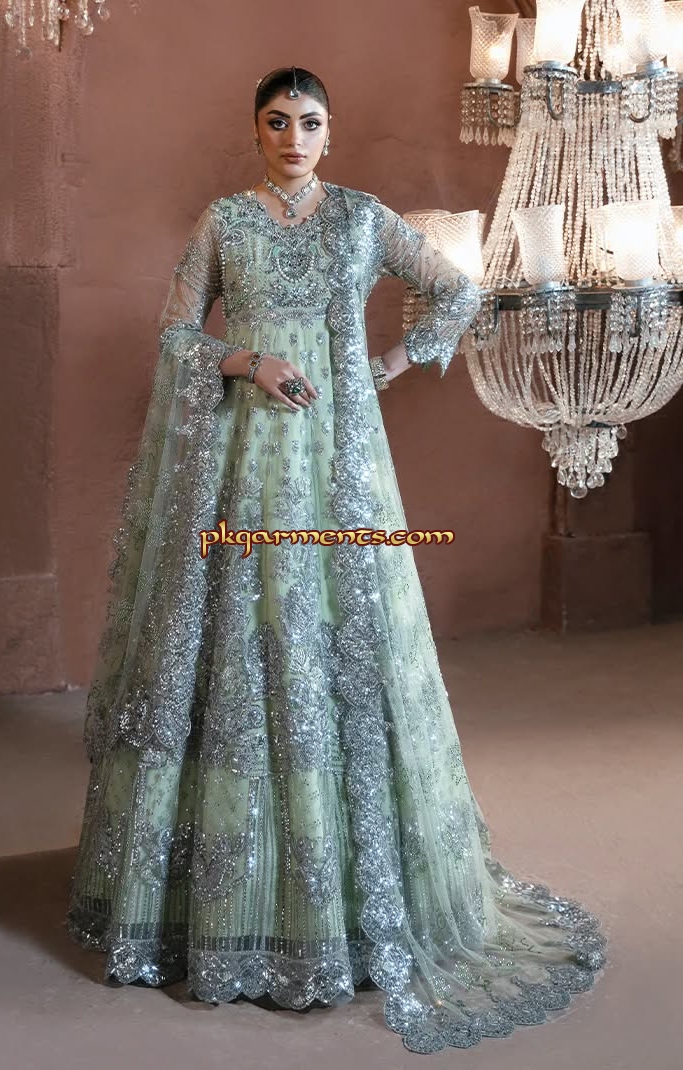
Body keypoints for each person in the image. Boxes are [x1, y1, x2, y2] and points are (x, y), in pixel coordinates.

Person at [65, 66, 607, 1055]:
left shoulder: (360, 219)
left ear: (330, 131)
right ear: (255, 130)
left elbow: (457, 288)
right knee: (232, 639)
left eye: (308, 122)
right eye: (275, 121)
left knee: (336, 642)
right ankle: (215, 907)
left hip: (338, 463)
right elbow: (176, 333)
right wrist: (248, 361)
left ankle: (354, 904)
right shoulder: (225, 222)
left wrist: (392, 363)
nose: (292, 136)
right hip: (240, 466)